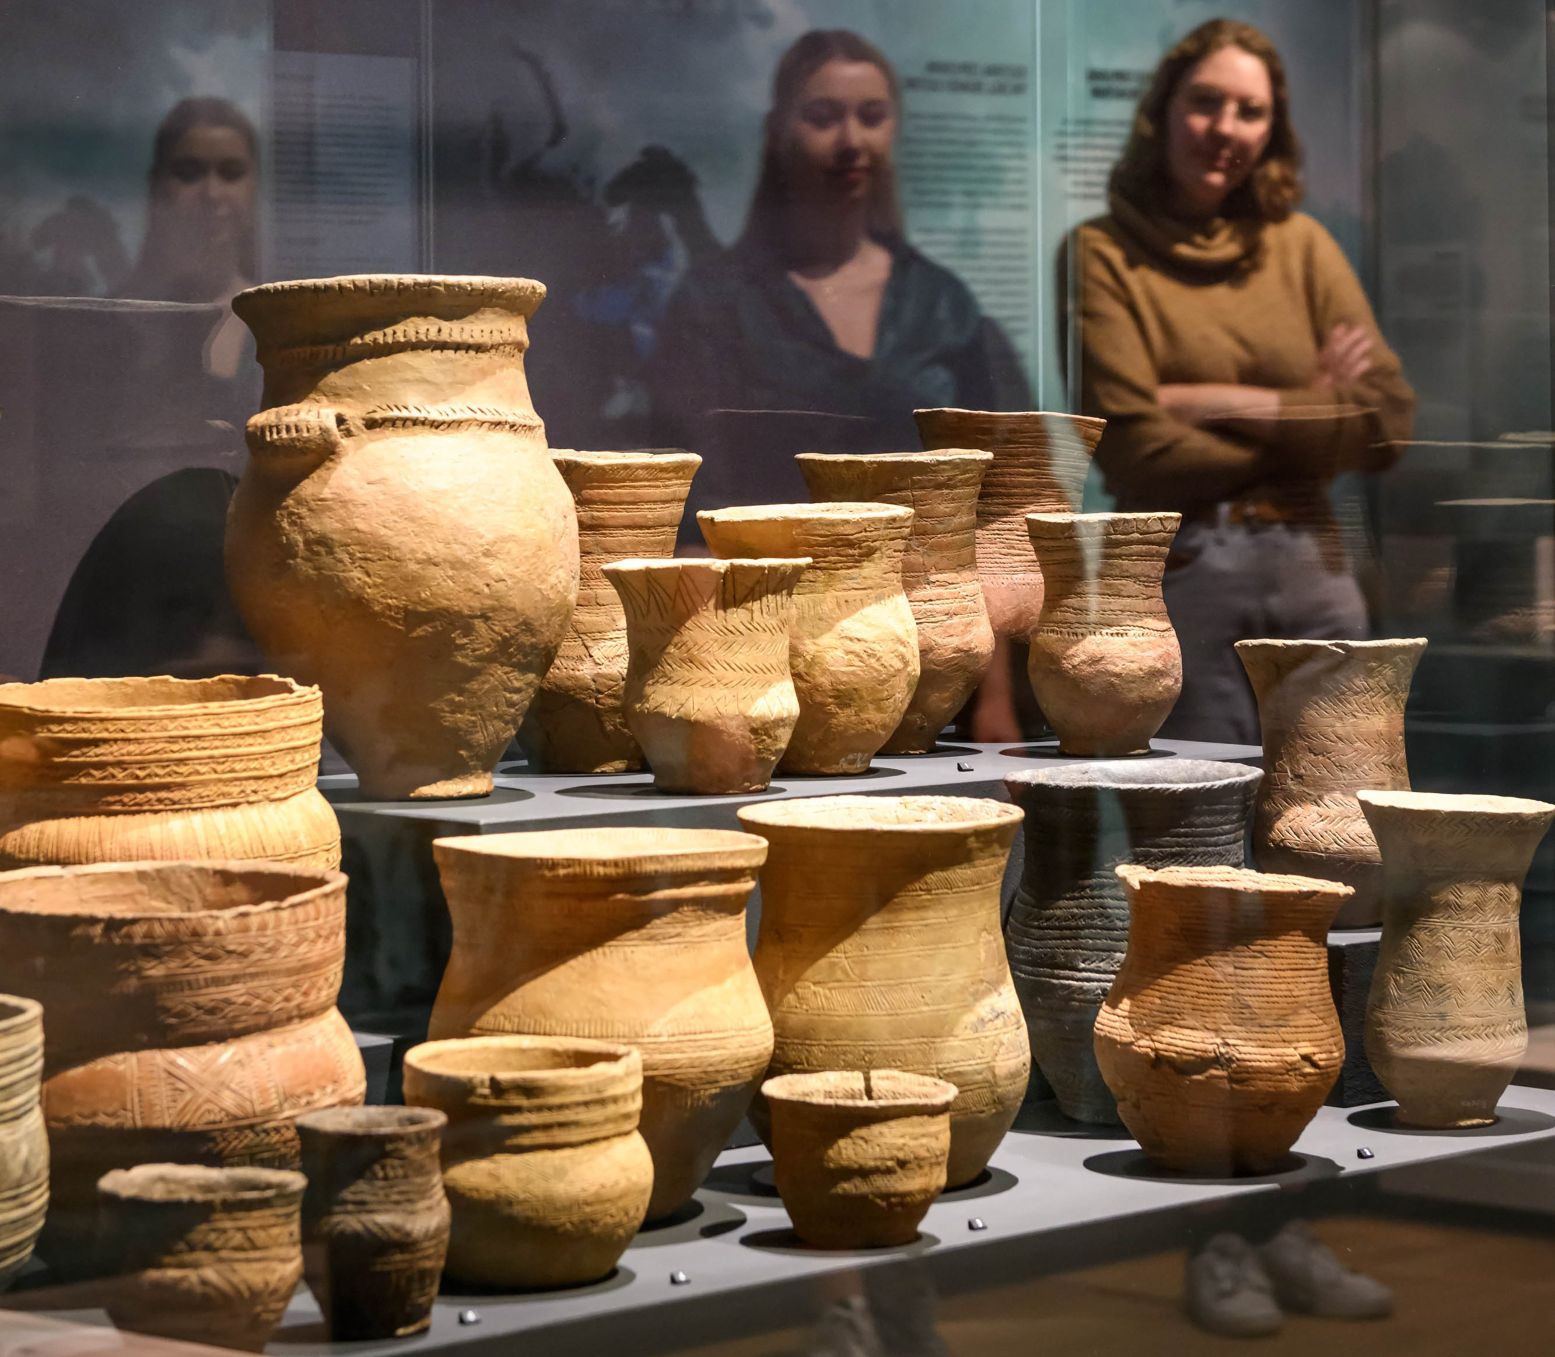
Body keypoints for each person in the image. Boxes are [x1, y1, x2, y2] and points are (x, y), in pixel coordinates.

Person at [1069, 19, 1415, 743]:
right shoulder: (1100, 251)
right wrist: (1315, 419)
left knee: (1335, 824)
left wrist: (1208, 402)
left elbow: (1386, 424)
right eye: (1203, 102)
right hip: (1183, 568)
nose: (1224, 129)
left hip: (1314, 563)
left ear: (1272, 129)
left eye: (1249, 111)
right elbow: (1133, 447)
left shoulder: (1302, 247)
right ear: (1161, 109)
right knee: (1196, 828)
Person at [651, 29, 1030, 501]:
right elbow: (683, 493)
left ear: (892, 127)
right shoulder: (715, 301)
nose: (851, 140)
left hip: (927, 570)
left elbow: (1015, 485)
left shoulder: (941, 302)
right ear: (779, 130)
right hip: (772, 569)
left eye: (871, 117)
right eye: (822, 117)